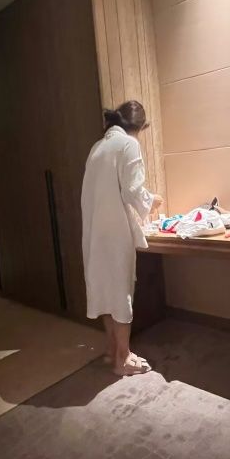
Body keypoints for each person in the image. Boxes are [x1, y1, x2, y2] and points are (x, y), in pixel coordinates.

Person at [81, 100, 163, 376]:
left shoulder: (97, 147)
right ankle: (124, 359)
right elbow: (132, 190)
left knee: (106, 292)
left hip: (94, 233)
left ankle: (112, 350)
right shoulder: (128, 144)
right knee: (121, 292)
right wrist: (152, 201)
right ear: (139, 127)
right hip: (115, 234)